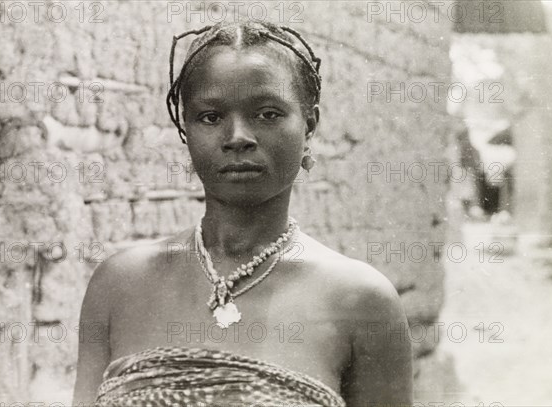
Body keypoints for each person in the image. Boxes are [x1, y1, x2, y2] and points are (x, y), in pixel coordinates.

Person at [73, 19, 412, 407]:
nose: (238, 137)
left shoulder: (362, 301)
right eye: (211, 117)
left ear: (310, 125)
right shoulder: (119, 285)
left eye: (267, 114)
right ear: (186, 130)